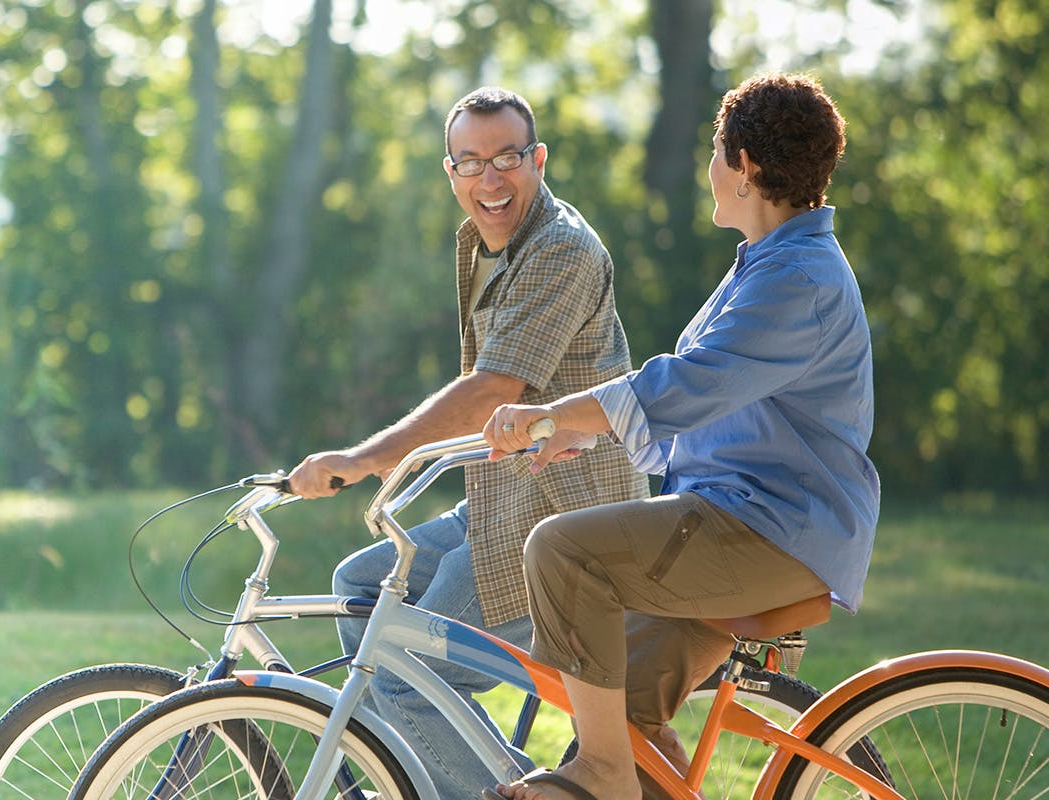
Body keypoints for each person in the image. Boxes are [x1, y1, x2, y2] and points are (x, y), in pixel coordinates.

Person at [483, 73, 880, 800]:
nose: (710, 166)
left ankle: (601, 774)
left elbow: (687, 383)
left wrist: (552, 415)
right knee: (626, 716)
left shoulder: (798, 276)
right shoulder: (771, 263)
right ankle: (619, 767)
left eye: (714, 148)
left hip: (772, 528)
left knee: (563, 549)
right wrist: (590, 436)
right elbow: (715, 408)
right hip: (737, 516)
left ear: (745, 166)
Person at [286, 86, 648, 799]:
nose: (491, 179)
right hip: (501, 498)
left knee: (406, 679)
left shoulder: (560, 251)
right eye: (471, 161)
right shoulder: (485, 241)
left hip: (561, 519)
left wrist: (365, 460)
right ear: (449, 171)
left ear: (537, 160)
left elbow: (492, 391)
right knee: (357, 588)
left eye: (508, 157)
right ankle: (404, 782)